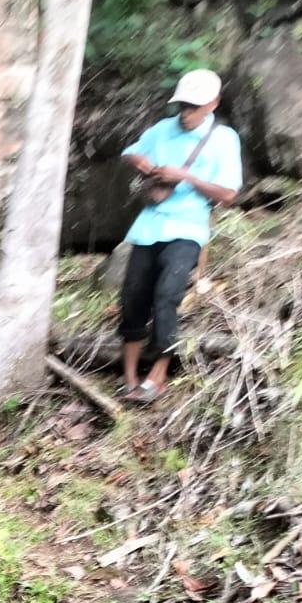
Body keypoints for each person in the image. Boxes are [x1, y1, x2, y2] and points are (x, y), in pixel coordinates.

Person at [117, 68, 242, 404]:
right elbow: (129, 151)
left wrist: (185, 175)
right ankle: (129, 378)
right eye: (183, 105)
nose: (186, 113)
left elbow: (228, 194)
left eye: (193, 107)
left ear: (213, 104)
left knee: (168, 295)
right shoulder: (161, 130)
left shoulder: (224, 139)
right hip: (148, 227)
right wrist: (142, 163)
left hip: (188, 227)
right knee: (133, 297)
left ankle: (157, 377)